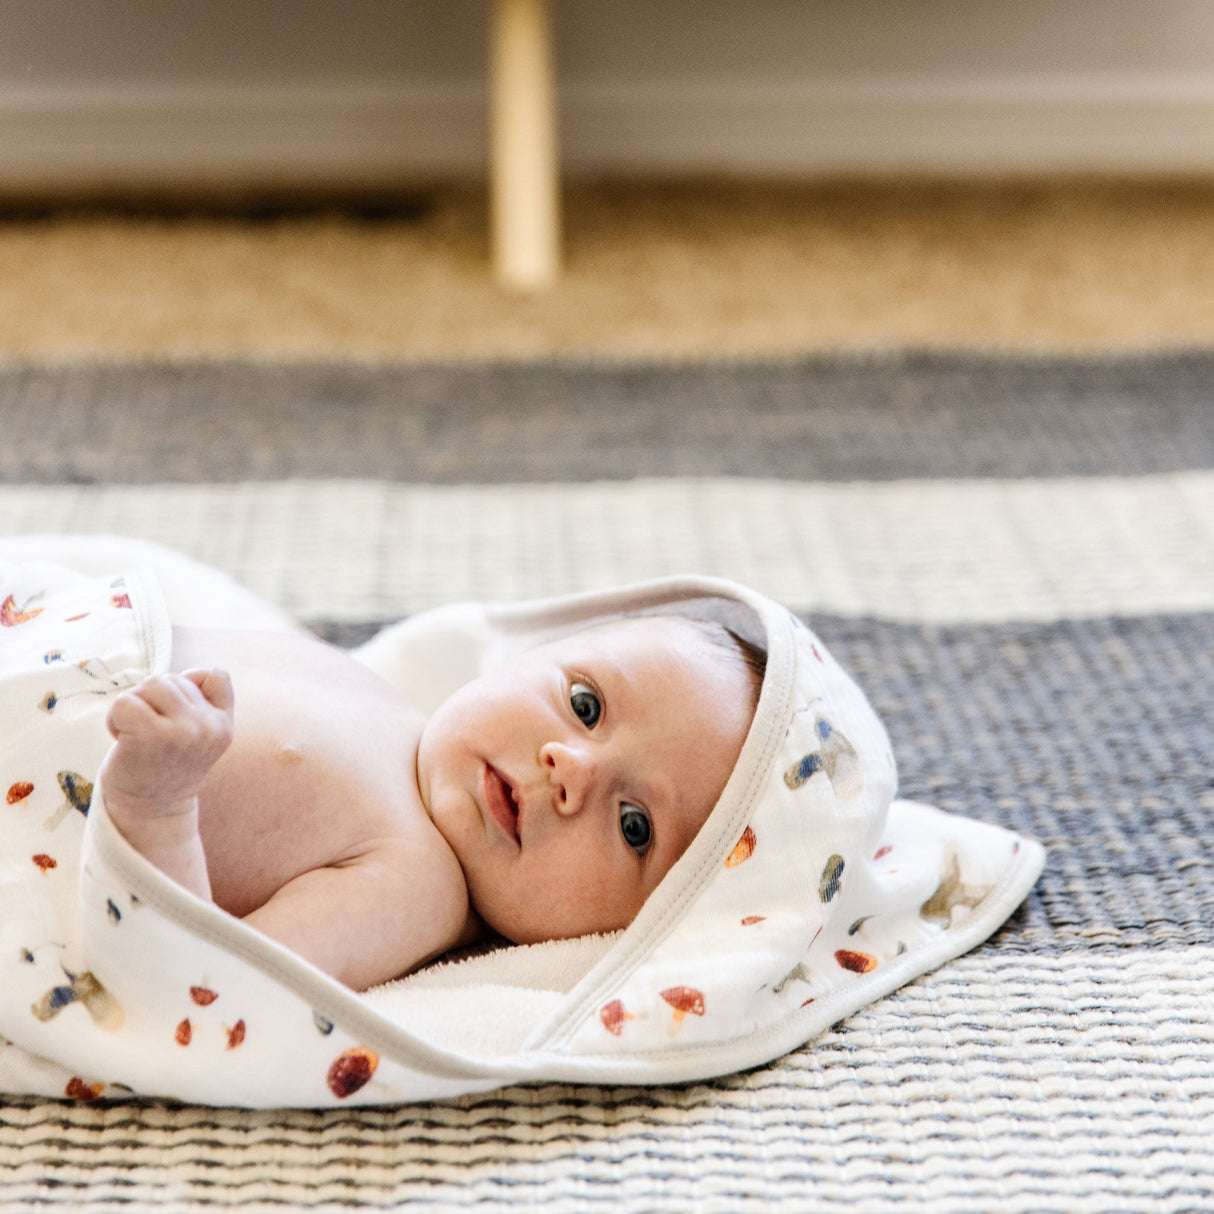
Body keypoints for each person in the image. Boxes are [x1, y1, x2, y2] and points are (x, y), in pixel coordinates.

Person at [97, 614, 764, 992]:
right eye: (585, 705)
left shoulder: (417, 885)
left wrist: (158, 805)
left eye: (634, 826)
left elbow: (206, 987)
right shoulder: (386, 699)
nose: (574, 770)